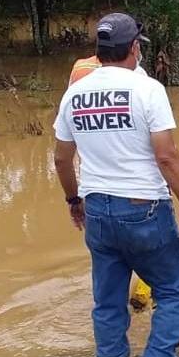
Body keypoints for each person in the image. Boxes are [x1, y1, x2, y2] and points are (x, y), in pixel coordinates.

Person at [53, 13, 179, 357]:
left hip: (97, 208)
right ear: (135, 48)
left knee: (108, 301)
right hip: (143, 208)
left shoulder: (75, 94)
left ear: (100, 51)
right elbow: (167, 156)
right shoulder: (146, 89)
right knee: (174, 292)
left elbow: (63, 161)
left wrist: (73, 201)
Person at [68, 47, 153, 311]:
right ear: (130, 47)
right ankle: (143, 293)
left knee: (107, 267)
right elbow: (158, 145)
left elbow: (64, 149)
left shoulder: (79, 70)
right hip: (136, 187)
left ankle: (111, 341)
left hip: (95, 183)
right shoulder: (137, 77)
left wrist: (73, 198)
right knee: (150, 249)